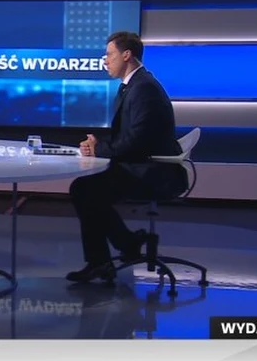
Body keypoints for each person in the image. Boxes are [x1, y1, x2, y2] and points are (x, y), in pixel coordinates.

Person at [66, 31, 188, 283]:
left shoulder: (144, 89)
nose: (105, 61)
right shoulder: (135, 85)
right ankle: (122, 246)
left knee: (86, 190)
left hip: (153, 172)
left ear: (127, 55)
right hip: (142, 164)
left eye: (109, 55)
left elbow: (137, 141)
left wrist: (98, 149)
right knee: (84, 188)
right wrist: (99, 145)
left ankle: (107, 258)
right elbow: (130, 137)